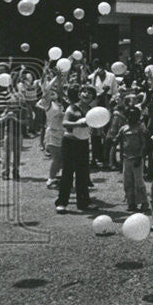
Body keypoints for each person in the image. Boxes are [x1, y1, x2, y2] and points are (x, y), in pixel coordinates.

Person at [56, 85, 96, 213]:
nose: (86, 94)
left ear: (93, 97)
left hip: (83, 143)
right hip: (70, 142)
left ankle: (83, 203)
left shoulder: (90, 110)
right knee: (67, 173)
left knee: (83, 174)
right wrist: (78, 123)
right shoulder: (72, 108)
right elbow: (65, 123)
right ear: (79, 95)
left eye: (90, 93)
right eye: (84, 91)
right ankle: (62, 203)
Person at [116, 106, 149, 212]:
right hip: (126, 158)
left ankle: (144, 202)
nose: (131, 117)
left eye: (134, 115)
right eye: (129, 115)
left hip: (136, 158)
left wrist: (140, 157)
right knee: (127, 182)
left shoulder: (141, 128)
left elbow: (144, 144)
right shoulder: (124, 128)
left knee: (139, 182)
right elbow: (119, 140)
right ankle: (131, 203)